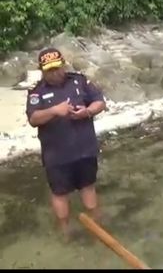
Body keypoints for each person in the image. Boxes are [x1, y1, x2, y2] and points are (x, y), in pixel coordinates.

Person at [25, 48, 106, 238]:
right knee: (60, 193)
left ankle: (97, 225)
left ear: (63, 65)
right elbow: (33, 119)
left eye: (57, 68)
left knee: (88, 186)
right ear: (42, 71)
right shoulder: (37, 92)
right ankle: (65, 231)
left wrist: (86, 112)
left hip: (85, 149)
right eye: (49, 70)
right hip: (57, 155)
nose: (55, 73)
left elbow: (99, 102)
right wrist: (54, 111)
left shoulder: (79, 81)